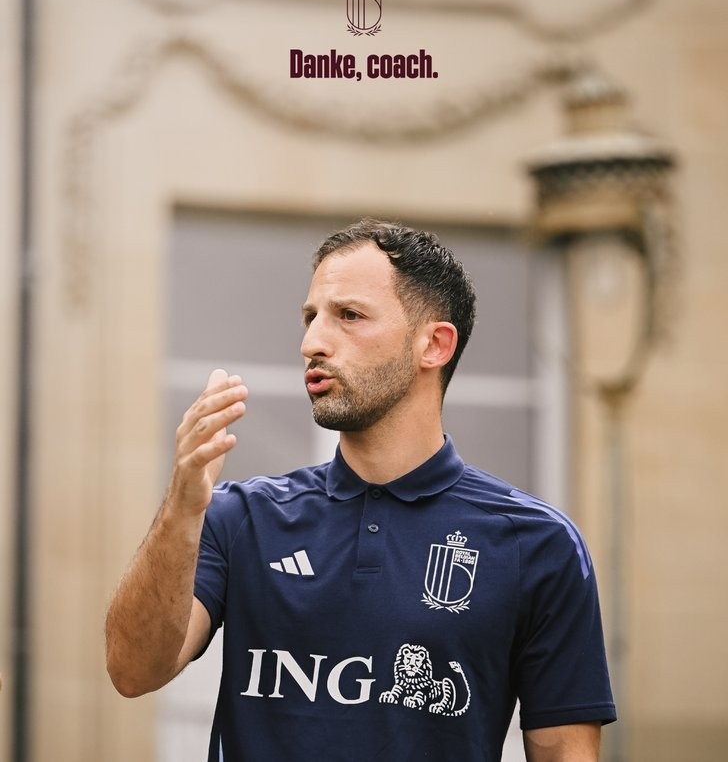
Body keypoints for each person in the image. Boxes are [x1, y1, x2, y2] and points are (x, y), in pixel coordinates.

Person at [105, 218, 616, 761]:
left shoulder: (538, 544)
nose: (312, 343)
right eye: (311, 317)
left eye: (349, 316)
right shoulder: (240, 516)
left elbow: (565, 753)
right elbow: (132, 672)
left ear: (434, 345)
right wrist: (181, 509)